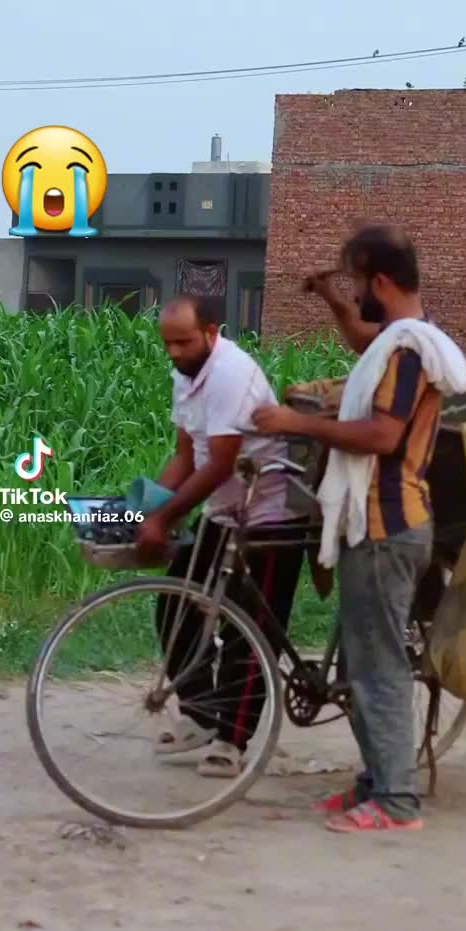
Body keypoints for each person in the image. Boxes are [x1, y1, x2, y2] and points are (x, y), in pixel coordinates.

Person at [254, 225, 466, 833]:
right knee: (359, 663)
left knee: (378, 666)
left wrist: (297, 423)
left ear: (381, 281)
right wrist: (332, 299)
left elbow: (382, 435)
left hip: (386, 523)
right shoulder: (402, 340)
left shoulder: (409, 352)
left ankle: (397, 801)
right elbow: (362, 341)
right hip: (376, 524)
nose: (355, 293)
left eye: (355, 283)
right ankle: (377, 782)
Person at [136, 295, 304, 778]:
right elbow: (186, 457)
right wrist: (144, 508)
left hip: (267, 516)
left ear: (212, 332)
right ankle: (202, 713)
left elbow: (220, 465)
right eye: (168, 343)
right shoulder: (186, 374)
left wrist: (164, 520)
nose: (174, 352)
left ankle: (233, 739)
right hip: (224, 511)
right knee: (174, 605)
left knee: (247, 631)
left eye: (184, 342)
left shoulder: (230, 374)